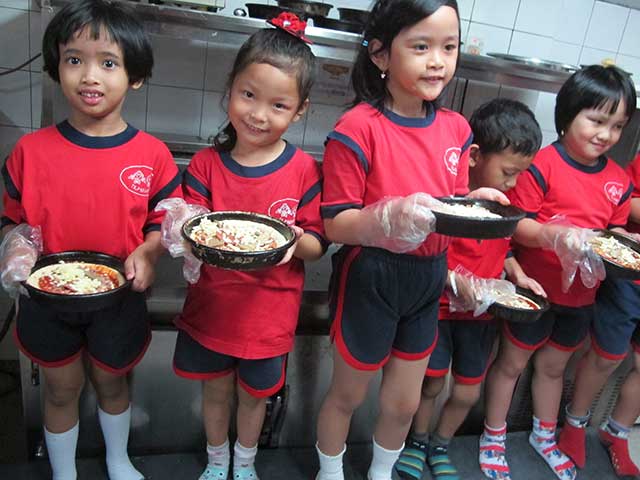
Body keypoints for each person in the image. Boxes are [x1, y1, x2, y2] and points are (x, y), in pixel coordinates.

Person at [315, 1, 508, 479]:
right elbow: (336, 224)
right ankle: (330, 472)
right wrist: (385, 219)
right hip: (372, 276)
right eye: (421, 47)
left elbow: (449, 205)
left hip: (427, 279)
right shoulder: (357, 128)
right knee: (348, 394)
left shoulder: (456, 129)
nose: (438, 61)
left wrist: (474, 203)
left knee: (404, 403)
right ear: (381, 54)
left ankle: (381, 472)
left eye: (449, 47)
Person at [0, 1, 183, 479]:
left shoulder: (153, 155)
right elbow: (11, 221)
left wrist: (149, 251)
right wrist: (15, 249)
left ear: (135, 76)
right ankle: (64, 472)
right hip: (47, 297)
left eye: (108, 63)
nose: (89, 76)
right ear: (56, 66)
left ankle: (118, 460)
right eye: (74, 59)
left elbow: (161, 223)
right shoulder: (30, 151)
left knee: (113, 382)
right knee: (61, 388)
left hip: (119, 296)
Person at [162, 14, 326, 480]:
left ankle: (246, 463)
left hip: (267, 315)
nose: (258, 114)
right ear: (230, 88)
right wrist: (180, 227)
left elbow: (317, 243)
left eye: (278, 105)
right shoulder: (206, 164)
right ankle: (217, 463)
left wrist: (297, 241)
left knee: (254, 397)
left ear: (299, 111)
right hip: (214, 307)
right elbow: (190, 226)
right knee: (215, 392)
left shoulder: (304, 171)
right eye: (248, 95)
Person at [479, 65, 637, 480]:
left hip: (582, 297)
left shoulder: (618, 180)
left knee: (553, 368)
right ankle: (493, 436)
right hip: (534, 291)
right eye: (597, 121)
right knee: (511, 364)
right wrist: (555, 236)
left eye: (617, 126)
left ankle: (544, 435)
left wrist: (624, 243)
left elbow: (614, 231)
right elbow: (518, 226)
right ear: (567, 114)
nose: (606, 134)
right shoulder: (541, 165)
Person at [394, 98, 545, 480]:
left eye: (520, 175)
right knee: (431, 383)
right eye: (508, 172)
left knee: (466, 393)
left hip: (481, 318)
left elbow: (503, 249)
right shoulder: (450, 201)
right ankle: (417, 442)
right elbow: (426, 251)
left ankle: (441, 445)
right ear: (474, 156)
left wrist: (518, 275)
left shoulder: (504, 207)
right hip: (440, 311)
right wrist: (451, 279)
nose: (513, 183)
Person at [558, 149, 640, 478]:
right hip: (629, 275)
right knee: (607, 356)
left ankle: (616, 433)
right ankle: (575, 424)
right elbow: (625, 201)